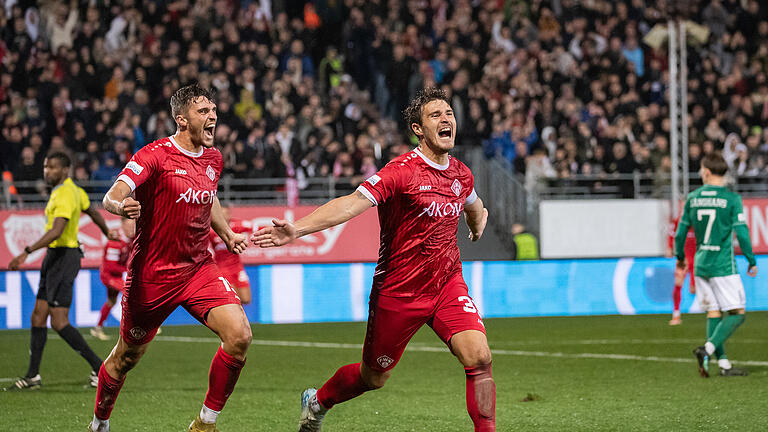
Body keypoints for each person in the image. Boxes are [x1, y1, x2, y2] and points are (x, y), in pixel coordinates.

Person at [253, 88, 495, 431]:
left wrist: (476, 224)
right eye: (435, 115)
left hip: (446, 284)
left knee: (479, 357)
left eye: (449, 114)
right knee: (374, 377)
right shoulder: (401, 172)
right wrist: (296, 230)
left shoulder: (461, 173)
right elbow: (351, 204)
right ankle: (317, 402)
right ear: (418, 129)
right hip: (399, 292)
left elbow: (473, 204)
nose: (446, 120)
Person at [88, 84, 252, 432]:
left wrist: (227, 235)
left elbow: (210, 197)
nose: (213, 116)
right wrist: (121, 205)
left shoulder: (214, 158)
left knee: (239, 336)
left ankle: (205, 424)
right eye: (203, 112)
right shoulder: (154, 155)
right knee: (126, 357)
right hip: (152, 275)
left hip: (197, 269)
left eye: (213, 110)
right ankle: (99, 423)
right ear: (181, 119)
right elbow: (113, 194)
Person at [6, 152, 117, 391]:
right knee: (38, 315)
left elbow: (57, 231)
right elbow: (93, 212)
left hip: (65, 257)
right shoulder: (72, 191)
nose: (47, 171)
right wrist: (107, 232)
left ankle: (100, 368)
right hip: (55, 257)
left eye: (52, 167)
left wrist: (26, 251)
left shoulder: (66, 193)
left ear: (64, 170)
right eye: (46, 167)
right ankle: (33, 376)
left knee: (58, 320)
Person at [676, 152, 757, 378]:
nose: (701, 174)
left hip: (701, 263)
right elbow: (741, 232)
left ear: (708, 172)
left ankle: (724, 365)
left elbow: (681, 233)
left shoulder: (693, 197)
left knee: (713, 312)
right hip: (722, 264)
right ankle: (708, 350)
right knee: (738, 313)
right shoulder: (732, 199)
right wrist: (751, 259)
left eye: (702, 170)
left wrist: (680, 257)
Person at [91, 216, 136, 341]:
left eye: (134, 224)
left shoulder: (130, 239)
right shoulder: (115, 242)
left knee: (111, 301)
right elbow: (111, 267)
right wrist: (128, 269)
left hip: (116, 276)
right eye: (130, 225)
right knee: (131, 294)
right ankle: (140, 325)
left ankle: (97, 328)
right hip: (108, 276)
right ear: (122, 225)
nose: (133, 227)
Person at [208, 203, 254, 304]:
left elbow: (255, 226)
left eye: (227, 213)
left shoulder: (237, 225)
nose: (225, 216)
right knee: (233, 300)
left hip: (238, 268)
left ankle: (236, 315)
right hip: (222, 269)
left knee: (246, 300)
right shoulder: (211, 231)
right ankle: (235, 317)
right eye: (222, 214)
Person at [666, 215, 696, 325]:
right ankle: (676, 315)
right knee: (678, 284)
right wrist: (669, 247)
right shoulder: (679, 220)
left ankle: (713, 312)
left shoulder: (700, 219)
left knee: (694, 290)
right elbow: (672, 235)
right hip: (684, 259)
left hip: (698, 259)